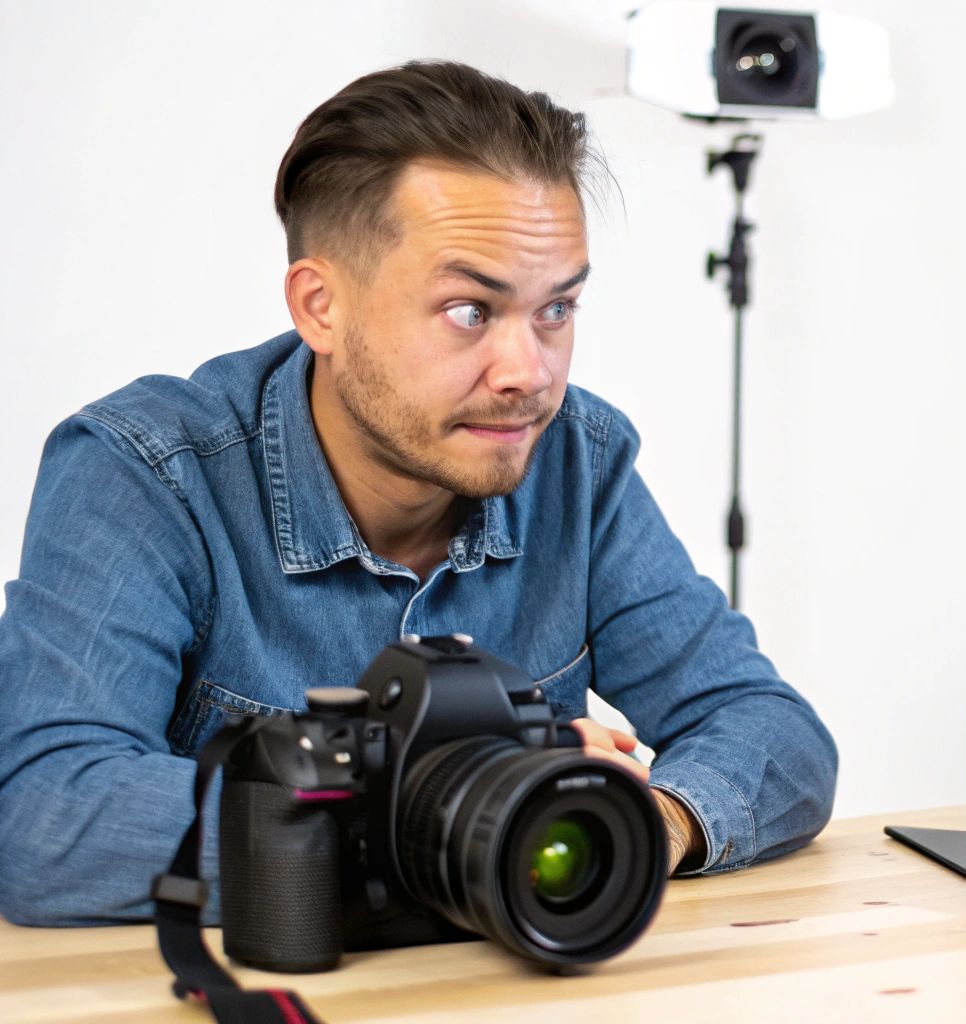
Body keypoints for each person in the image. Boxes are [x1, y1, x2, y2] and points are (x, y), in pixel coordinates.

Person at [0, 60, 837, 925]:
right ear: (320, 306)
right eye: (470, 311)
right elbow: (47, 816)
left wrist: (644, 823)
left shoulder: (576, 461)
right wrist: (421, 818)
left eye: (556, 310)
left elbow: (769, 728)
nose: (528, 374)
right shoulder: (146, 472)